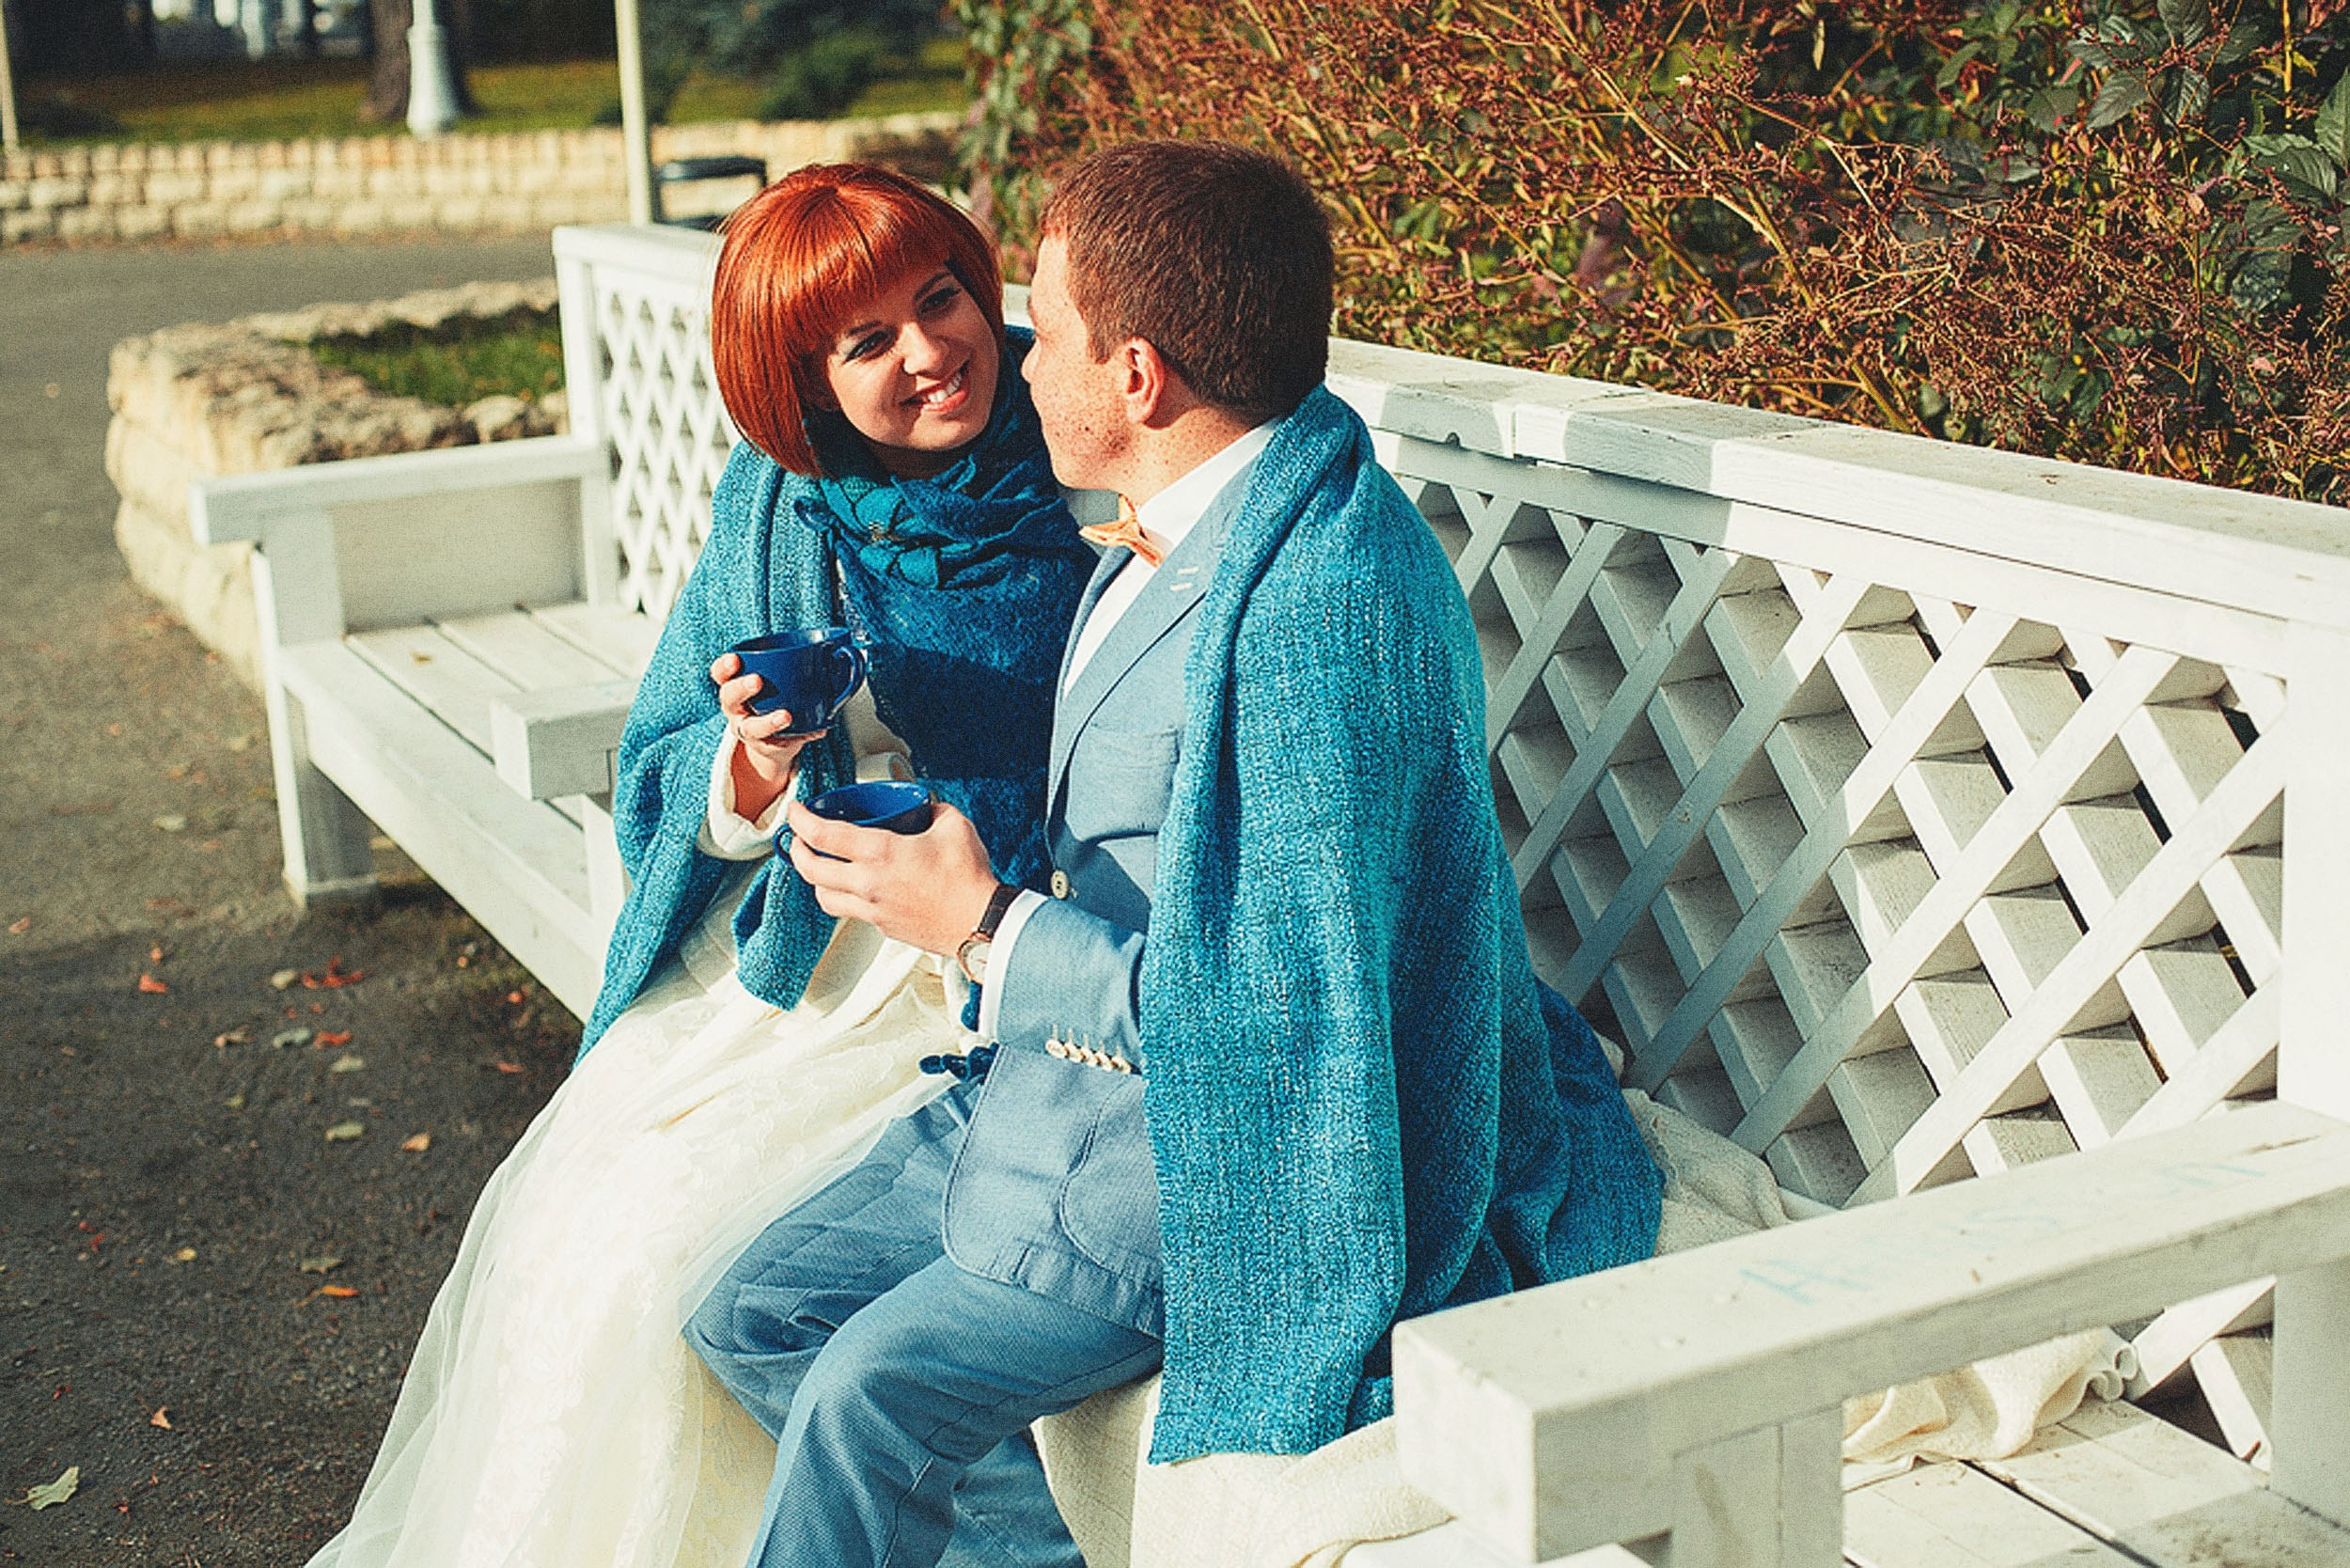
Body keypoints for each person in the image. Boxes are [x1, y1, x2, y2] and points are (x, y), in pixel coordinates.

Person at [686, 139, 1666, 1568]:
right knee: (747, 1315)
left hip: (1213, 1151)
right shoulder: (1197, 519)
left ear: (1136, 376)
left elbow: (1294, 1024)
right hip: (1041, 1085)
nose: (1014, 365)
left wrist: (984, 927)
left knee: (861, 1400)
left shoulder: (1315, 607)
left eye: (1043, 324)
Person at [308, 163, 1097, 1568]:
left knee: (692, 1267)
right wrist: (751, 766)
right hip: (827, 949)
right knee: (592, 1239)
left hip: (1003, 960)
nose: (932, 353)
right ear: (802, 383)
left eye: (941, 298)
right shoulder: (783, 499)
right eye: (867, 344)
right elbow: (663, 757)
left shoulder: (1083, 429)